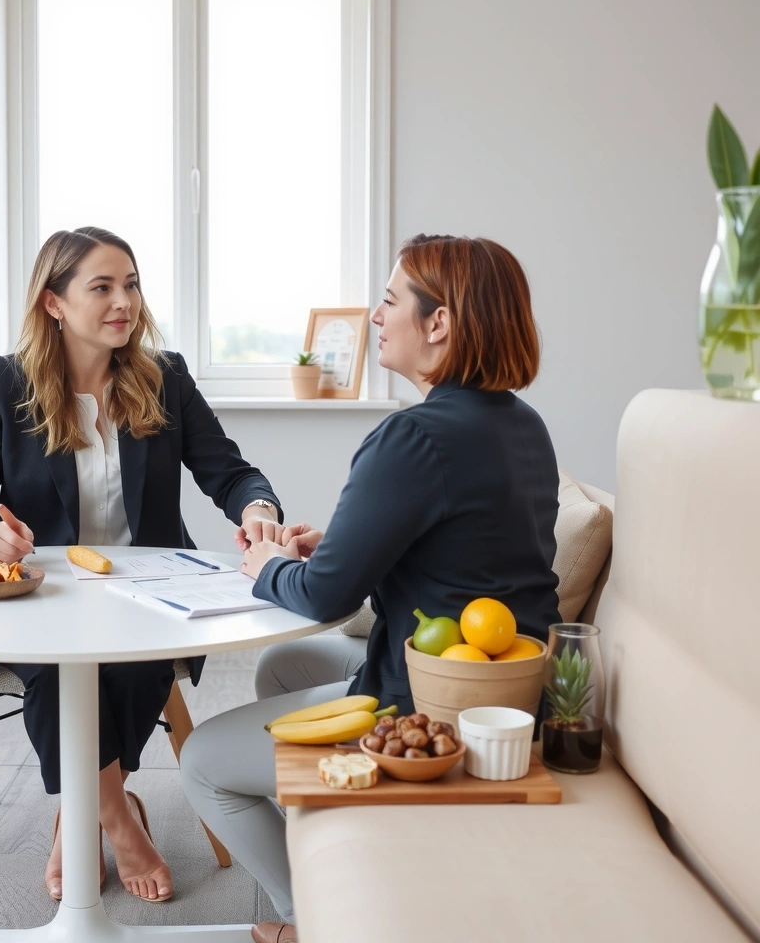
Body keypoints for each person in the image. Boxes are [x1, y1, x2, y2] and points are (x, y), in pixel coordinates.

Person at [179, 234, 561, 943]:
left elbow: (326, 598)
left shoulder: (411, 436)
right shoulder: (523, 424)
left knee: (201, 763)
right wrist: (345, 543)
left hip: (431, 709)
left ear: (438, 322)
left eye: (389, 301)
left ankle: (311, 921)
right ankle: (338, 841)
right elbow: (470, 547)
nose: (377, 317)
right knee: (283, 665)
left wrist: (265, 567)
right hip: (507, 690)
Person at [0, 226, 282, 904]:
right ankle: (117, 818)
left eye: (131, 284)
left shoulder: (165, 377)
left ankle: (79, 815)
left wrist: (258, 511)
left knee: (134, 661)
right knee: (55, 667)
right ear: (54, 302)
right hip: (38, 597)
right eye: (101, 287)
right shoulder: (2, 382)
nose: (124, 301)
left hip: (145, 590)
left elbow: (230, 473)